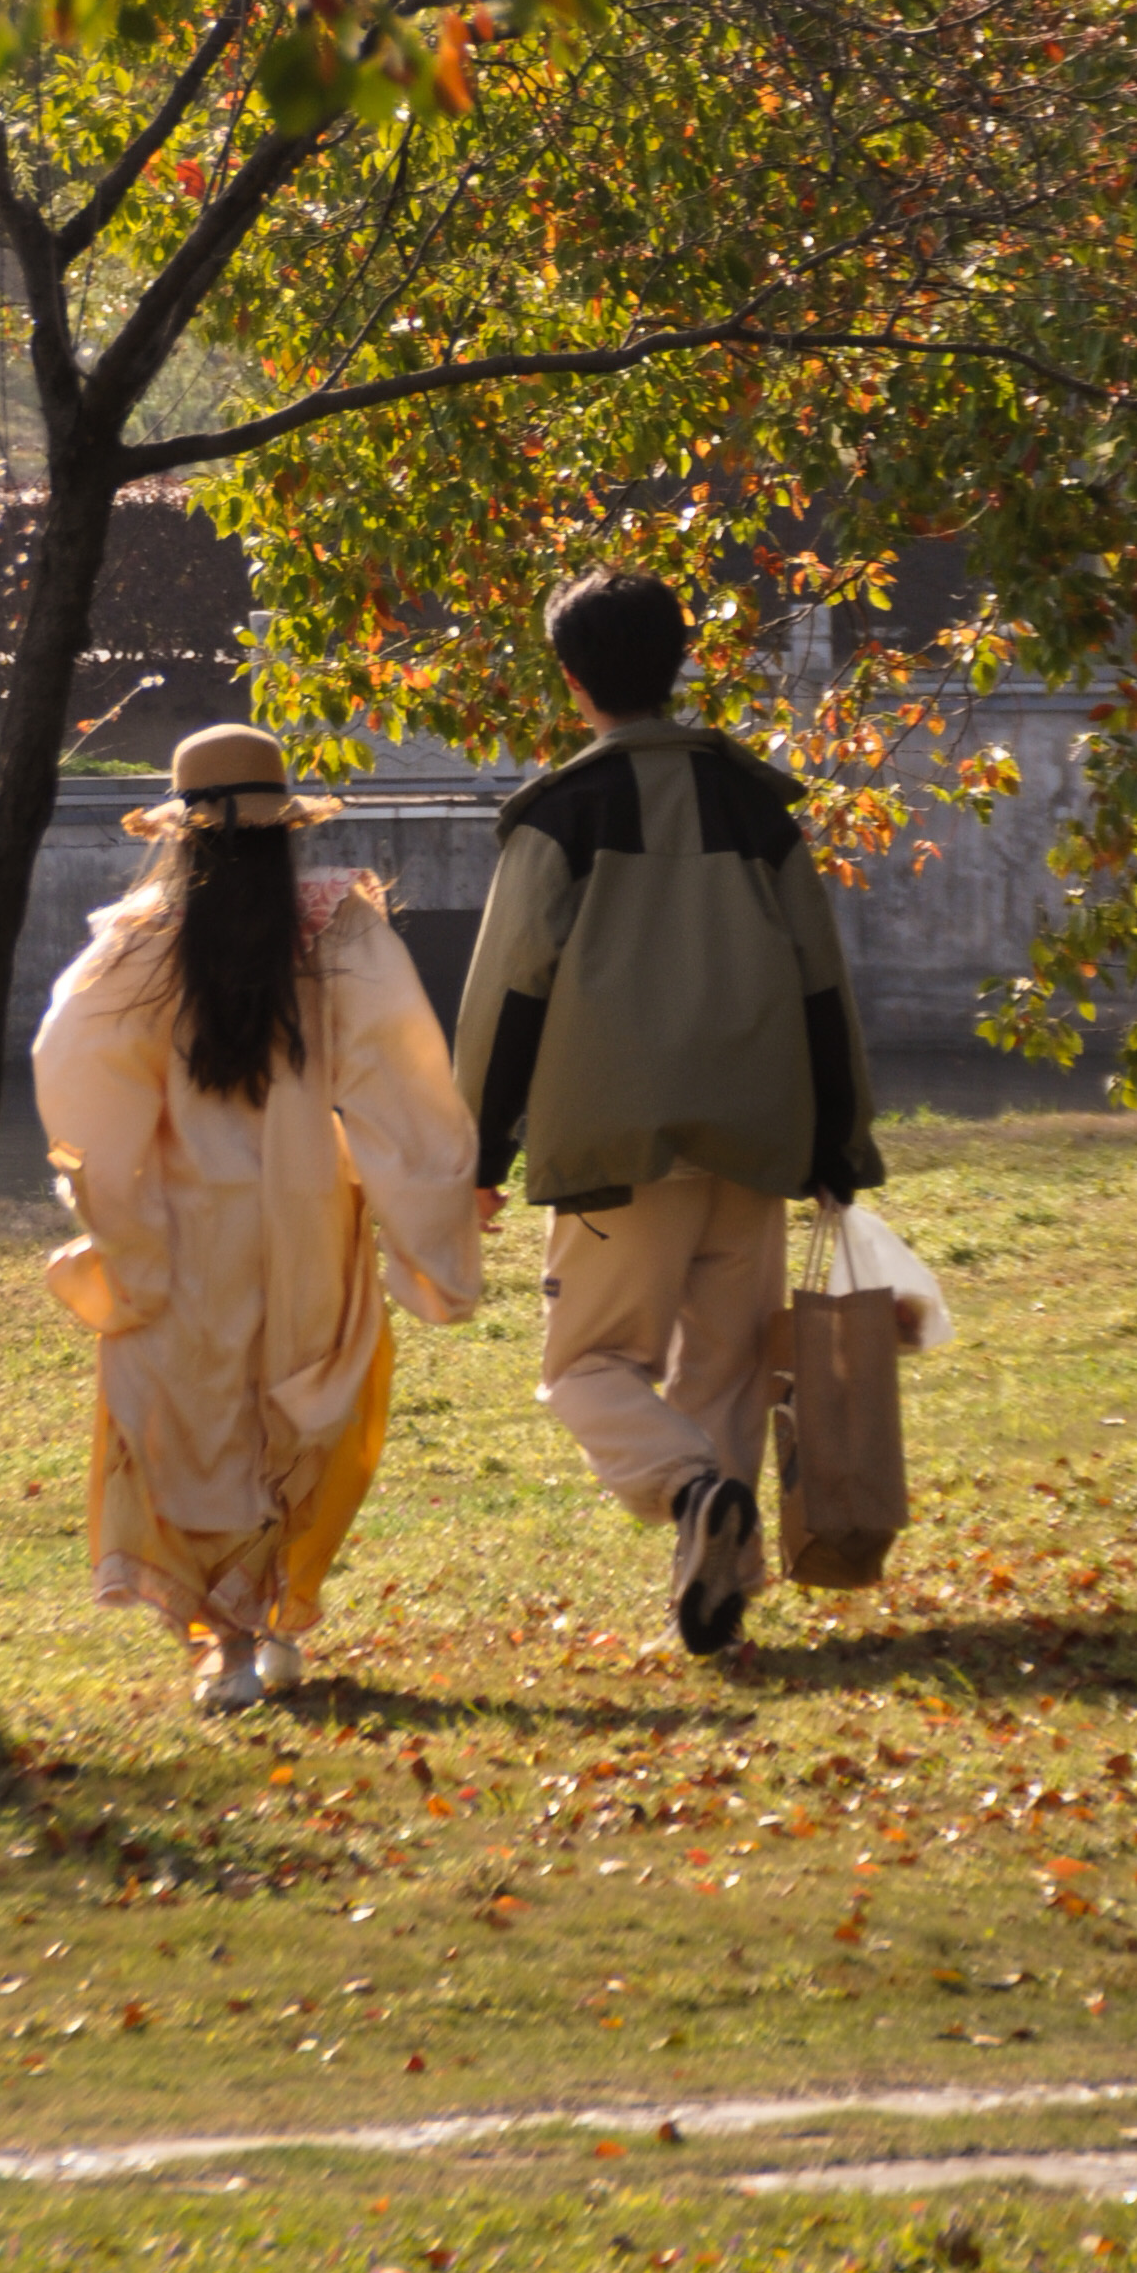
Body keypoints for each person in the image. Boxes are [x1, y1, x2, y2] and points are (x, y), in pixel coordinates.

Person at [450, 567, 880, 1659]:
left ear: (570, 677)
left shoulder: (558, 815)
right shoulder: (757, 805)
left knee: (585, 1367)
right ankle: (719, 1584)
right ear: (681, 659)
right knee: (728, 1375)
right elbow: (820, 982)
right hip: (755, 1131)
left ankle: (693, 1497)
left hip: (616, 1142)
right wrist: (839, 1140)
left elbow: (508, 994)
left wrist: (477, 1153)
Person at [32, 723, 483, 1714]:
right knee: (301, 1405)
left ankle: (229, 1646)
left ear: (180, 832)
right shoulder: (339, 928)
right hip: (311, 1213)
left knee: (202, 1420)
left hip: (187, 1217)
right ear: (285, 827)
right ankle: (279, 1620)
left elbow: (73, 1067)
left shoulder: (138, 941)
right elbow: (402, 1074)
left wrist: (114, 1207)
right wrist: (430, 1201)